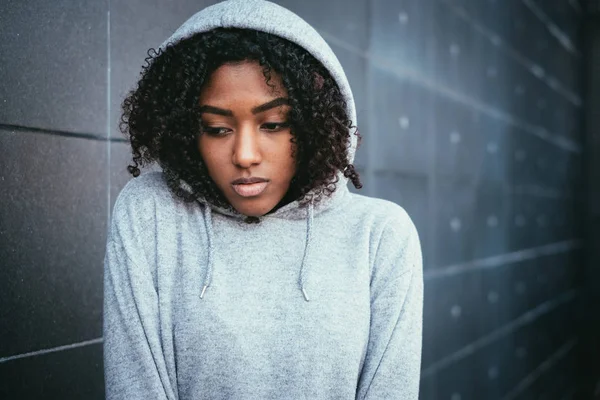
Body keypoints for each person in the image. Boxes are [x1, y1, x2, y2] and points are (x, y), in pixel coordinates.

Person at [102, 0, 424, 399]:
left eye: (273, 124)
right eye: (217, 128)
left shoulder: (380, 237)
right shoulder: (150, 214)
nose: (244, 154)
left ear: (313, 123)